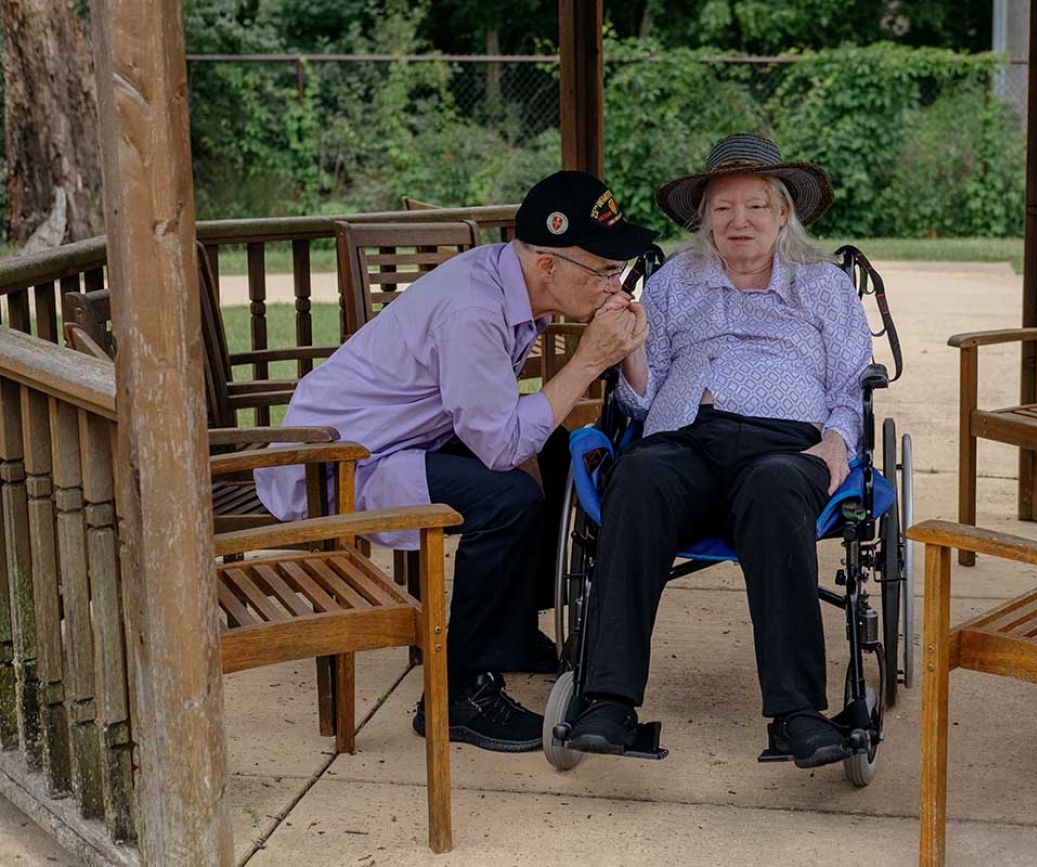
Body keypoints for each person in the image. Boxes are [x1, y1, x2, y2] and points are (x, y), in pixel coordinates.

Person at [255, 171, 656, 752]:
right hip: (335, 464)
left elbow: (499, 424)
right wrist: (590, 360)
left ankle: (511, 631)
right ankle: (459, 693)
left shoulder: (513, 279)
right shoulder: (474, 310)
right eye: (603, 271)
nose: (613, 286)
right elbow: (498, 446)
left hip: (402, 436)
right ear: (549, 267)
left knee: (558, 453)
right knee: (508, 499)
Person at [567, 134, 875, 769]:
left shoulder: (823, 286)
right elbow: (641, 406)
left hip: (785, 446)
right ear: (704, 217)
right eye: (723, 207)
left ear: (784, 213)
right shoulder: (676, 280)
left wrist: (836, 447)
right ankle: (607, 700)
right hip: (683, 438)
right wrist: (632, 350)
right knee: (639, 477)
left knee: (774, 489)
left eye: (757, 206)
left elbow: (851, 387)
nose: (740, 221)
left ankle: (796, 715)